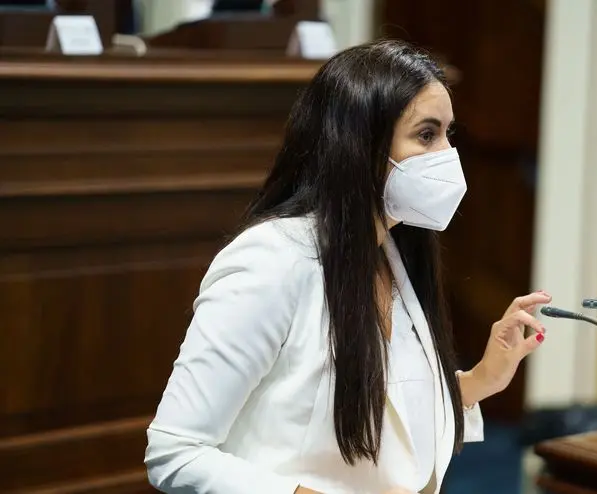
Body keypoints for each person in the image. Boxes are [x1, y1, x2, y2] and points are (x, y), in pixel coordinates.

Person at [144, 39, 551, 494]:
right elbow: (174, 452)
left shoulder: (392, 252)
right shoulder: (270, 261)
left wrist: (479, 381)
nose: (447, 156)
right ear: (362, 146)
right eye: (426, 134)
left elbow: (381, 413)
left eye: (448, 135)